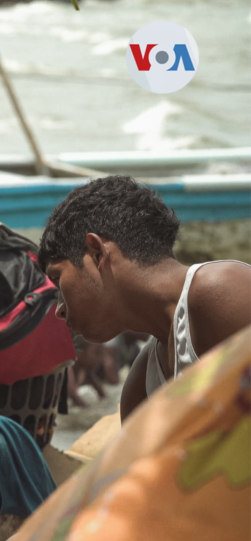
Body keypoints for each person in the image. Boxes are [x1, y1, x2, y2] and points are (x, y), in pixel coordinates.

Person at [37, 175, 251, 422]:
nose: (59, 310)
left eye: (58, 279)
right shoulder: (141, 386)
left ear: (97, 254)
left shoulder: (222, 292)